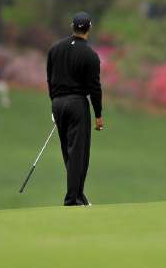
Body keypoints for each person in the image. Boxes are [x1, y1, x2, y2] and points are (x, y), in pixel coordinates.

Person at [46, 11, 104, 206]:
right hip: (77, 104)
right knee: (78, 153)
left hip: (58, 103)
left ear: (72, 27)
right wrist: (98, 115)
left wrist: (53, 106)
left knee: (69, 152)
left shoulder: (54, 49)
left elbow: (49, 79)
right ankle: (72, 199)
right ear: (89, 28)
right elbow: (95, 88)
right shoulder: (90, 56)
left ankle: (79, 195)